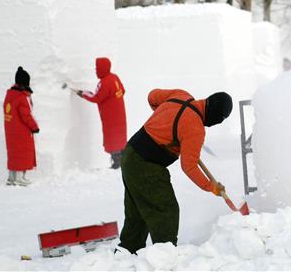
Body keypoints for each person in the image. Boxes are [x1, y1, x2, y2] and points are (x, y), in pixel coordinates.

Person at [117, 89, 233, 254]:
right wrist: (211, 186)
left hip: (130, 154)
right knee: (165, 210)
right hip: (146, 165)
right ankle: (165, 259)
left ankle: (125, 256)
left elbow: (152, 96)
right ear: (216, 117)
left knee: (138, 212)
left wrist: (165, 117)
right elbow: (189, 166)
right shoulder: (195, 128)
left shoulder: (181, 95)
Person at [75, 57, 127, 169]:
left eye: (97, 68)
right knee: (119, 137)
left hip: (110, 117)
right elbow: (122, 91)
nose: (95, 70)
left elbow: (96, 97)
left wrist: (81, 93)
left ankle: (117, 163)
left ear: (102, 69)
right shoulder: (114, 77)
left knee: (112, 138)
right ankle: (122, 159)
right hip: (120, 115)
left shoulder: (104, 82)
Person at [3, 66, 39, 186]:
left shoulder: (9, 95)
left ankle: (11, 177)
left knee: (14, 154)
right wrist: (34, 127)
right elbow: (26, 115)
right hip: (21, 132)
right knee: (22, 154)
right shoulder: (22, 98)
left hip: (11, 131)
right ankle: (19, 178)